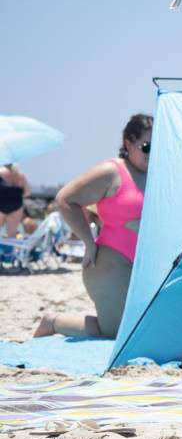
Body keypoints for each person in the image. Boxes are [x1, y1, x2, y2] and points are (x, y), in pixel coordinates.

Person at [33, 114, 151, 338]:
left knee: (142, 329)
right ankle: (53, 322)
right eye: (147, 147)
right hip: (109, 263)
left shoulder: (157, 175)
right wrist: (88, 242)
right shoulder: (111, 171)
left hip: (141, 269)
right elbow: (65, 200)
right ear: (128, 144)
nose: (152, 154)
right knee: (117, 332)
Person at [0, 163, 31, 238]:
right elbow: (27, 192)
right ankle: (8, 249)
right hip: (16, 206)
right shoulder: (21, 175)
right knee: (11, 234)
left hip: (1, 204)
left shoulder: (0, 172)